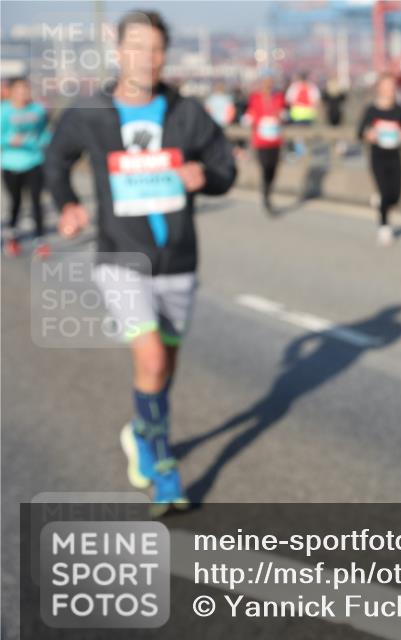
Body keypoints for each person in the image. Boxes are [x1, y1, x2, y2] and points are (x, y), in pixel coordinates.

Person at [45, 9, 237, 514]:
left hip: (180, 259)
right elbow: (56, 159)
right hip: (121, 256)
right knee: (150, 359)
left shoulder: (186, 112)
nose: (146, 59)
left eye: (155, 50)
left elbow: (224, 165)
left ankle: (140, 431)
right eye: (136, 48)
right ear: (118, 50)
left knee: (163, 368)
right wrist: (66, 202)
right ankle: (164, 469)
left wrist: (206, 176)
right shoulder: (90, 113)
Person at [358, 73, 401, 247]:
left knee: (396, 194)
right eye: (386, 86)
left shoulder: (400, 109)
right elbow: (359, 132)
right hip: (378, 156)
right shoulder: (371, 110)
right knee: (385, 191)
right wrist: (368, 133)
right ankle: (384, 227)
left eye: (392, 86)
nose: (390, 90)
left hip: (395, 155)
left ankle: (382, 203)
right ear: (379, 88)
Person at [2, 77, 51, 258]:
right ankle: (12, 236)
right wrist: (9, 141)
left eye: (26, 89)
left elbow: (45, 132)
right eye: (19, 89)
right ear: (12, 91)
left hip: (34, 161)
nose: (23, 93)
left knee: (37, 201)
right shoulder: (4, 111)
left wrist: (45, 142)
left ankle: (41, 240)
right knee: (16, 202)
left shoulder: (37, 109)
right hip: (11, 164)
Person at [243, 71, 285, 215]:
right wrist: (249, 119)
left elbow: (282, 112)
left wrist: (282, 116)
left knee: (273, 168)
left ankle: (268, 190)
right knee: (265, 166)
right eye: (266, 81)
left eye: (270, 81)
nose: (268, 84)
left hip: (275, 139)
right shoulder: (255, 98)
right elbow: (250, 113)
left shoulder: (278, 97)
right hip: (261, 140)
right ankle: (265, 194)